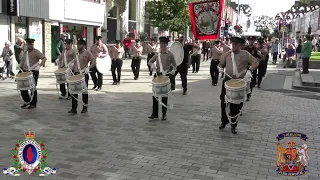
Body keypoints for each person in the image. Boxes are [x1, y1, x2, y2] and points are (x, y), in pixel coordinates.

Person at [218, 37, 259, 134]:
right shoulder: (227, 54)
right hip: (227, 81)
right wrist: (219, 69)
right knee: (223, 102)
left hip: (239, 82)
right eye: (232, 44)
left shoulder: (245, 54)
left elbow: (255, 63)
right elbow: (221, 64)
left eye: (236, 44)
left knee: (235, 105)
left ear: (240, 45)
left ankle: (233, 125)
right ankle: (224, 121)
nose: (233, 46)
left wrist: (249, 71)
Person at [148, 36, 177, 120]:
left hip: (165, 76)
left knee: (164, 96)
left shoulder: (170, 54)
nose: (162, 45)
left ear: (166, 44)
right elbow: (150, 61)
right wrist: (152, 65)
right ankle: (154, 113)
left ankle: (164, 114)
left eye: (163, 44)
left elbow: (175, 65)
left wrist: (173, 70)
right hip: (157, 76)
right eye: (161, 44)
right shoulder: (157, 54)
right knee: (155, 95)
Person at [68, 39, 96, 114]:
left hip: (83, 74)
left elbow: (94, 62)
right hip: (76, 74)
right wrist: (71, 66)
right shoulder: (76, 54)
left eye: (79, 44)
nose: (78, 46)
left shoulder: (88, 53)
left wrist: (88, 68)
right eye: (77, 44)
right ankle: (74, 108)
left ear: (83, 45)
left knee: (84, 91)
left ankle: (85, 107)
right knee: (74, 91)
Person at [19, 38, 47, 109]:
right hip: (25, 71)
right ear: (27, 45)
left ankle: (33, 103)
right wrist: (20, 67)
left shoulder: (36, 52)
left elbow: (44, 58)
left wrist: (39, 66)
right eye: (29, 44)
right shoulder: (25, 52)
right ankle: (27, 101)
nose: (30, 46)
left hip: (33, 71)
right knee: (23, 87)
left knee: (32, 87)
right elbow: (23, 61)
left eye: (31, 44)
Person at [243, 36, 263, 101]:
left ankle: (249, 94)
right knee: (243, 80)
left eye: (252, 40)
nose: (251, 42)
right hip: (245, 67)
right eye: (250, 40)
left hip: (252, 67)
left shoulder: (256, 49)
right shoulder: (245, 49)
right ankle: (243, 92)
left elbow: (262, 58)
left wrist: (258, 59)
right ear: (248, 41)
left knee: (251, 81)